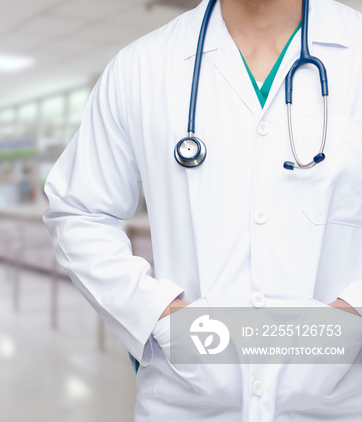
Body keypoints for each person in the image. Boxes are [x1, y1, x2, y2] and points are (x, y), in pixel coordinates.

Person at [43, 0, 362, 420]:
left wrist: (352, 314)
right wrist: (157, 315)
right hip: (185, 400)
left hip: (341, 399)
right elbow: (79, 210)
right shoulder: (142, 67)